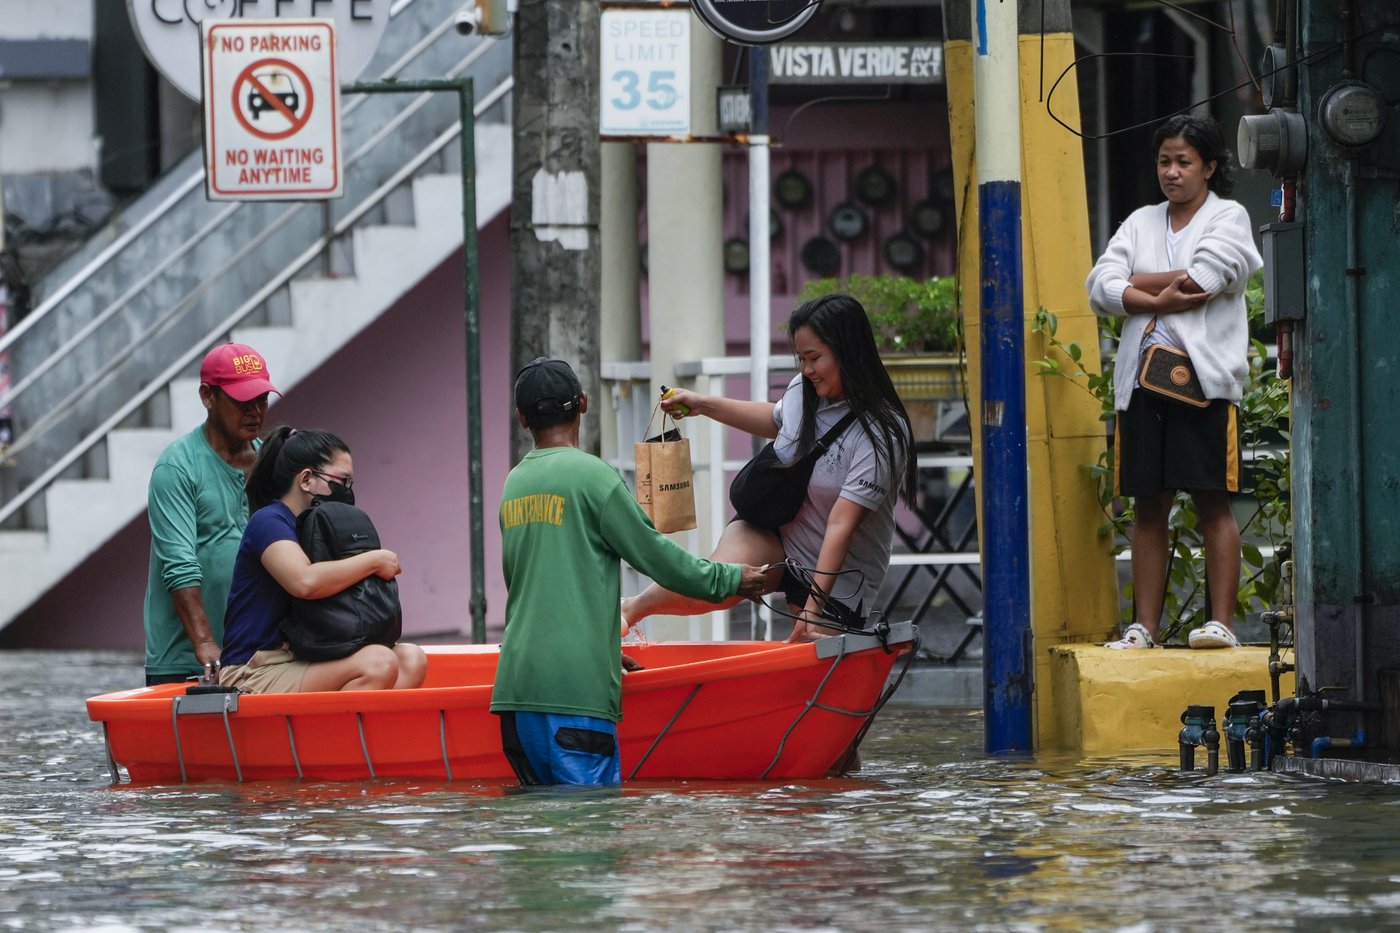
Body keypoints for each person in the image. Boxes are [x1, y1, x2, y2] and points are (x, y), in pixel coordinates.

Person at [491, 358, 768, 787]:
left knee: (538, 839)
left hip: (515, 691)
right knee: (591, 835)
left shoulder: (514, 483)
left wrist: (597, 643)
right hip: (575, 696)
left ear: (522, 418)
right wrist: (730, 579)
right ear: (582, 404)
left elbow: (528, 586)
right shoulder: (593, 477)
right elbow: (655, 556)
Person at [622, 293, 918, 643]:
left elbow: (842, 524)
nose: (806, 370)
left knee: (817, 660)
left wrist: (813, 609)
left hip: (838, 572)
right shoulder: (803, 390)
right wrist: (702, 404)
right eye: (801, 359)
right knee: (716, 584)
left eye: (814, 358)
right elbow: (778, 420)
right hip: (775, 531)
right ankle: (629, 608)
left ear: (848, 352)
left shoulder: (881, 432)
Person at [1086, 113, 1263, 650]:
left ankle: (1222, 625)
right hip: (1141, 383)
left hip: (1202, 383)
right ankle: (1144, 628)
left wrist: (1136, 286)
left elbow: (1203, 279)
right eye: (1165, 161)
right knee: (1147, 503)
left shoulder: (1229, 217)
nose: (1172, 172)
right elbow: (1097, 285)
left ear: (1209, 167)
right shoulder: (1141, 220)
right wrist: (1156, 296)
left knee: (1213, 499)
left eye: (1184, 162)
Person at [217, 427, 427, 693]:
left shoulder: (319, 527)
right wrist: (374, 561)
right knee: (378, 663)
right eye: (342, 481)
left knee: (411, 659)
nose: (347, 491)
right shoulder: (269, 522)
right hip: (255, 669)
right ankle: (335, 735)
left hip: (303, 656)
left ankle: (362, 732)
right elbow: (304, 582)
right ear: (306, 479)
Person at [143, 342, 279, 686]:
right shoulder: (177, 466)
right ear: (208, 397)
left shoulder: (270, 463)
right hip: (187, 658)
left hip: (254, 653)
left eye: (261, 400)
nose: (255, 412)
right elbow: (178, 562)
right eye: (242, 402)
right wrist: (204, 641)